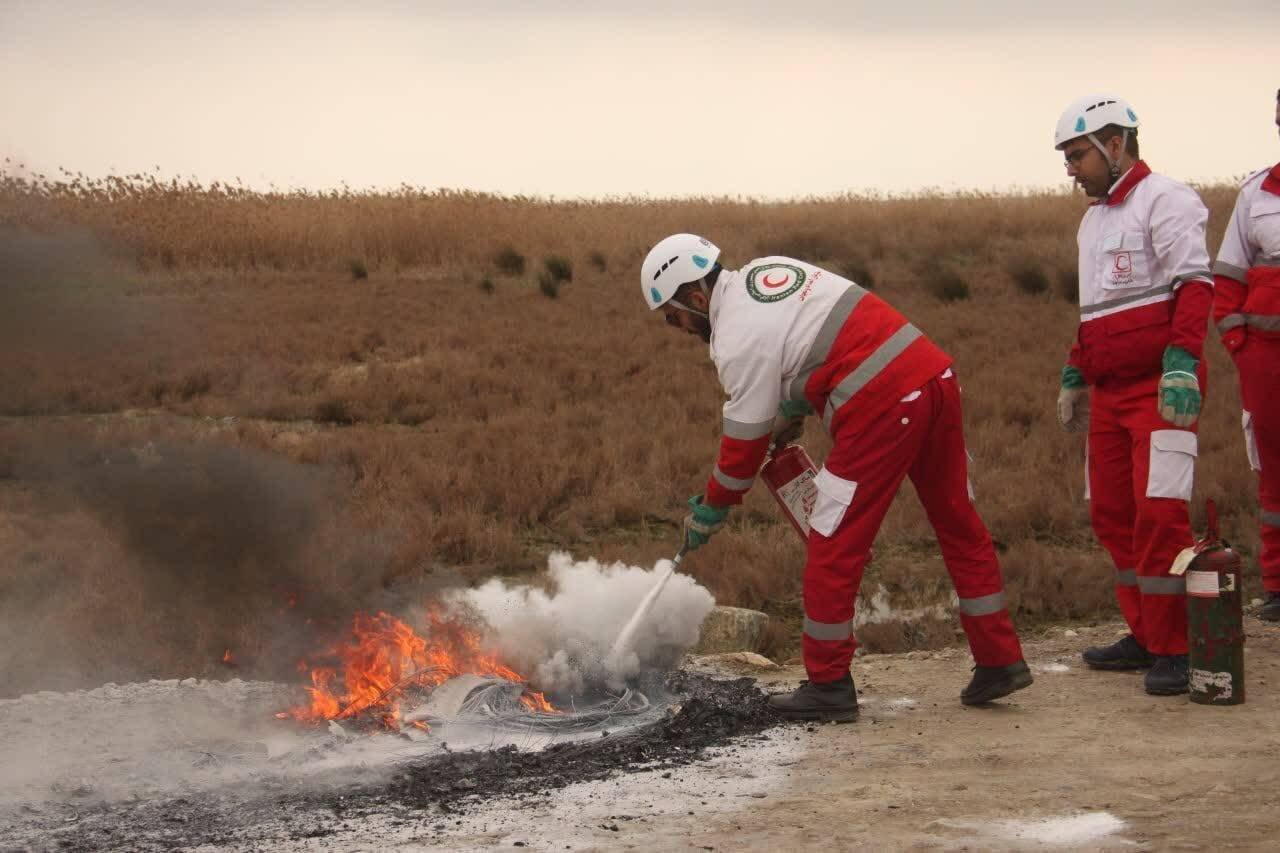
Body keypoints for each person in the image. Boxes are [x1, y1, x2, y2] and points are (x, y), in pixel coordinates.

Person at [640, 234, 1030, 722]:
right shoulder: (767, 273)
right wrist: (793, 406)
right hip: (934, 380)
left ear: (696, 298)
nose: (678, 329)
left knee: (831, 539)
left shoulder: (736, 338)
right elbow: (816, 345)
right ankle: (1000, 660)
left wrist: (714, 505)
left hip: (883, 405)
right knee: (958, 523)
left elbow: (743, 444)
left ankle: (828, 686)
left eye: (674, 318)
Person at [1052, 95, 1213, 694]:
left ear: (1114, 144)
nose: (1071, 169)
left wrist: (1181, 365)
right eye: (1067, 157)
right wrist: (1075, 370)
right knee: (1112, 515)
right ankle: (1146, 633)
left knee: (1160, 515)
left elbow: (1194, 286)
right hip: (1109, 394)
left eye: (1077, 156)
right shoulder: (1093, 220)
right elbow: (1095, 310)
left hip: (1160, 392)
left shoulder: (1167, 199)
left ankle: (1179, 647)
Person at [1212, 88, 1280, 621]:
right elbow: (1229, 277)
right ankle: (1279, 588)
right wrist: (1239, 344)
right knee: (1273, 471)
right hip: (1266, 361)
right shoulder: (1256, 193)